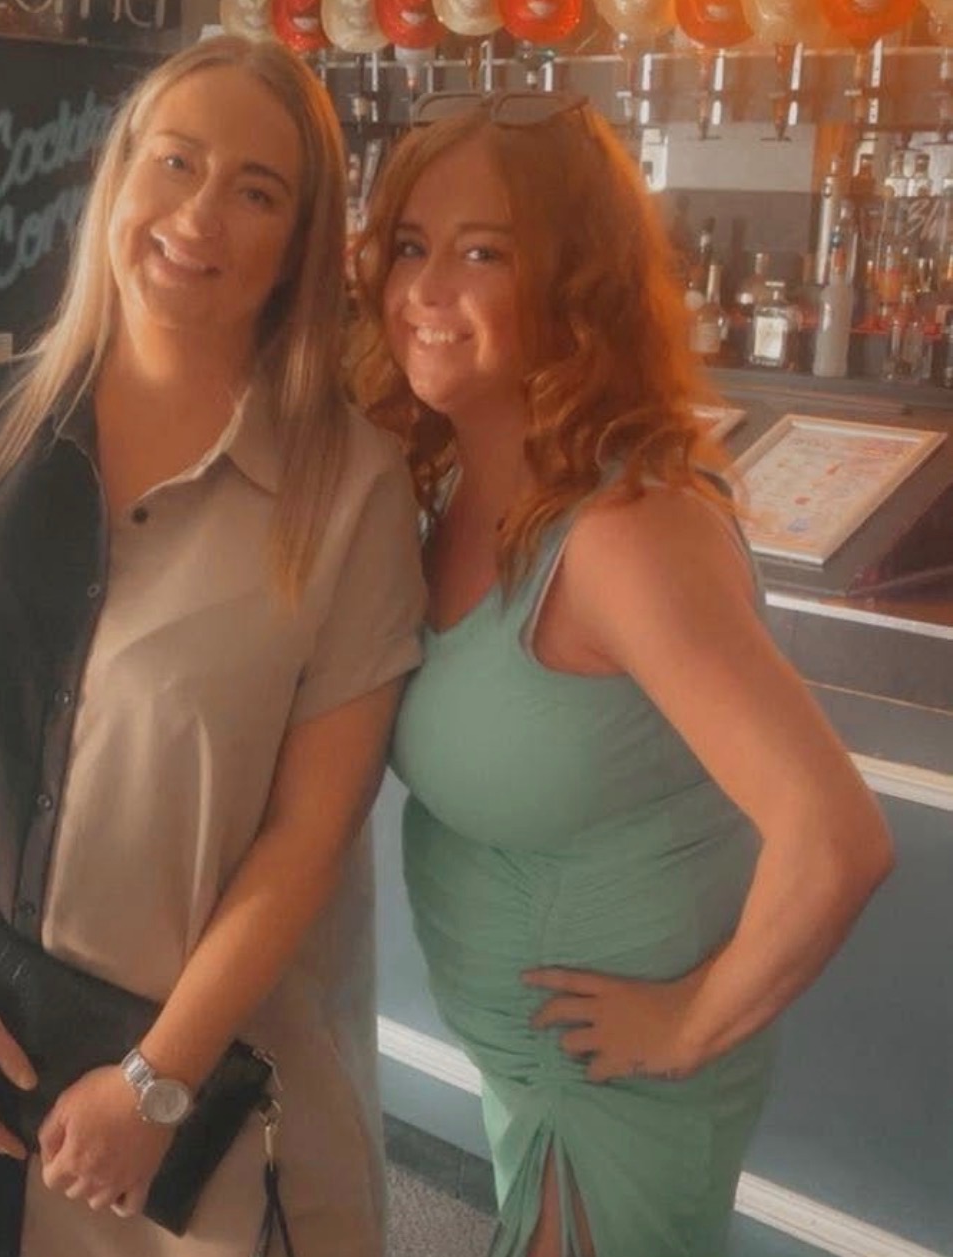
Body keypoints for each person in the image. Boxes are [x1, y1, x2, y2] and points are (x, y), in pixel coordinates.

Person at [0, 35, 424, 1257]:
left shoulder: (349, 490)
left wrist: (156, 1081)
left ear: (298, 243)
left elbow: (311, 833)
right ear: (121, 174)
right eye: (177, 162)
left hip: (195, 1117)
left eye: (256, 191)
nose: (198, 215)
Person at [351, 93, 894, 1257]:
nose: (426, 290)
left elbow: (836, 838)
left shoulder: (623, 534)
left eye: (483, 253)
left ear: (576, 284)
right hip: (535, 1070)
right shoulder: (455, 487)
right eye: (411, 246)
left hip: (613, 1094)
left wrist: (689, 1024)